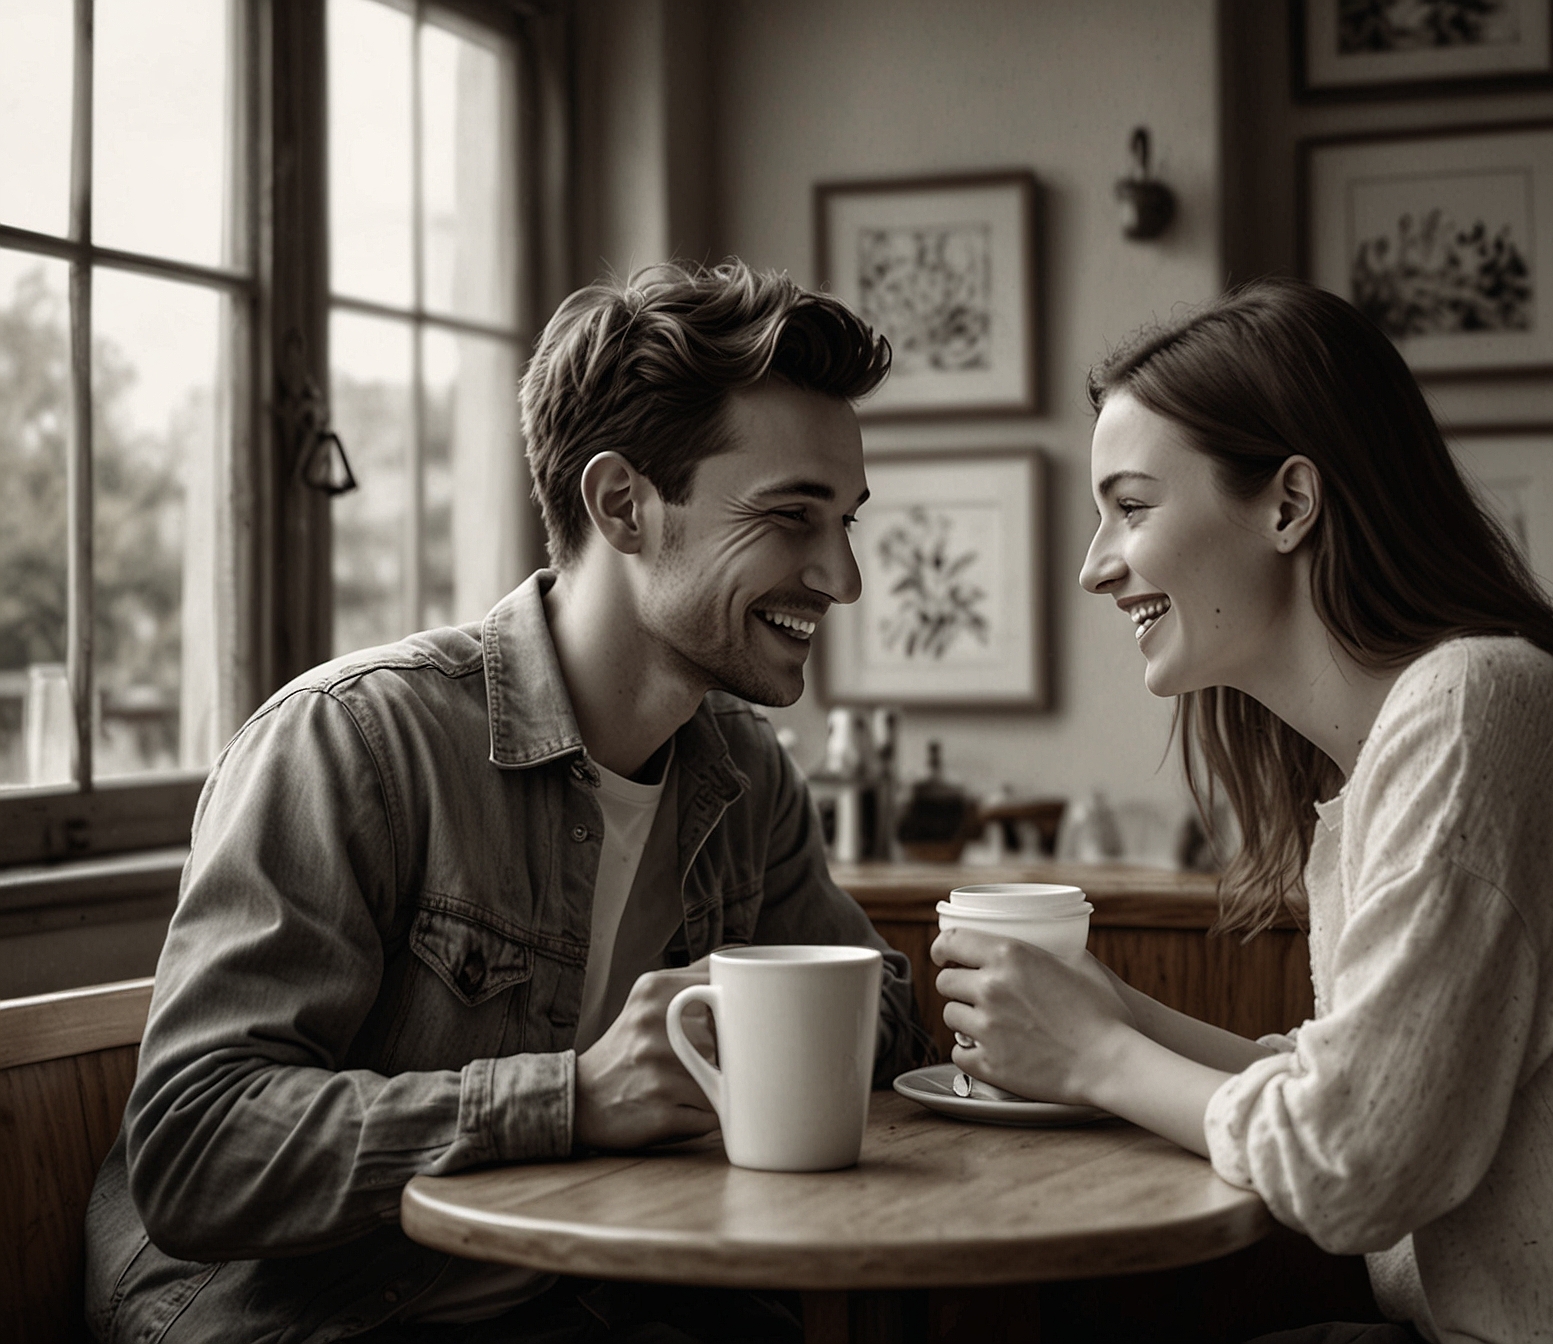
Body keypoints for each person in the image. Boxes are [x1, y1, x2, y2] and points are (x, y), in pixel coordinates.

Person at [85, 260, 932, 1344]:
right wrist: (568, 1098)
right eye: (791, 517)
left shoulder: (744, 775)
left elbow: (879, 1020)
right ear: (622, 504)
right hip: (309, 1322)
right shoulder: (355, 740)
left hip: (584, 1297)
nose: (842, 578)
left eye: (846, 522)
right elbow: (197, 1151)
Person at [931, 277, 1553, 1342]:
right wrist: (1106, 1011)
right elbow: (1359, 1084)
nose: (1093, 565)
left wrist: (1096, 1057)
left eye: (1131, 505)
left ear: (1289, 505)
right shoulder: (1408, 737)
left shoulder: (1471, 711)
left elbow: (1350, 1159)